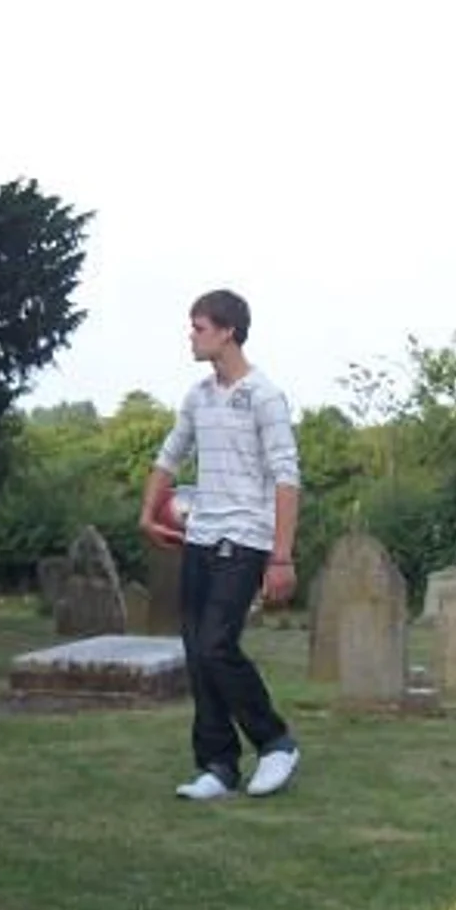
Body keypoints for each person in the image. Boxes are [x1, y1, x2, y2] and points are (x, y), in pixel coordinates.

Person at [140, 289, 303, 800]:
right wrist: (147, 513)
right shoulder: (198, 397)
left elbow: (286, 477)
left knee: (216, 644)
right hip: (201, 536)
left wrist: (281, 556)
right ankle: (218, 766)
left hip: (247, 536)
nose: (191, 337)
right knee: (196, 650)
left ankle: (275, 742)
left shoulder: (265, 397)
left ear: (228, 331)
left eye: (199, 327)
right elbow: (169, 457)